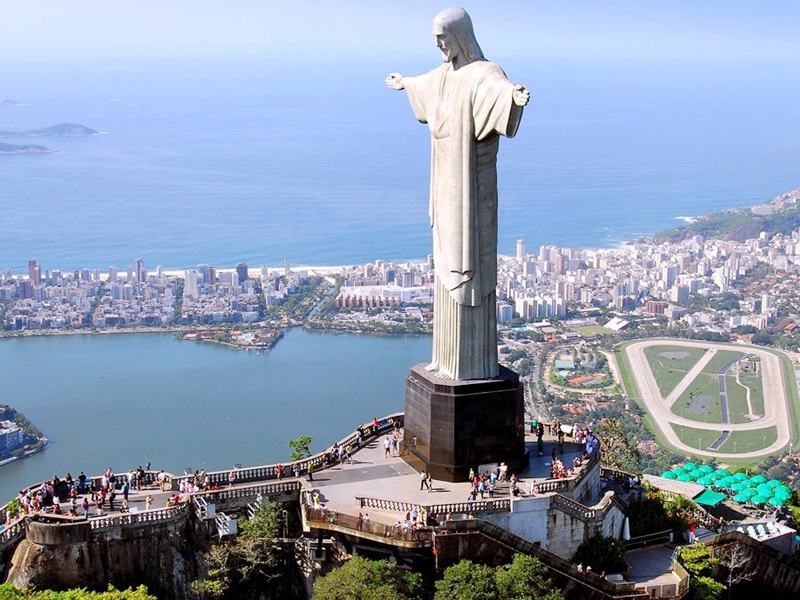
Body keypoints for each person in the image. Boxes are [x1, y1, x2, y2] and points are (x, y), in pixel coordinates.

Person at [386, 7, 529, 381]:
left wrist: (512, 97)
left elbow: (497, 92)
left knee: (470, 267)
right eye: (435, 40)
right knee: (447, 264)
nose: (438, 46)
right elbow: (424, 85)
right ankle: (446, 362)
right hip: (445, 185)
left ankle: (473, 366)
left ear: (461, 36)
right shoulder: (442, 76)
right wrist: (405, 82)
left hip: (471, 187)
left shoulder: (484, 73)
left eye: (443, 38)